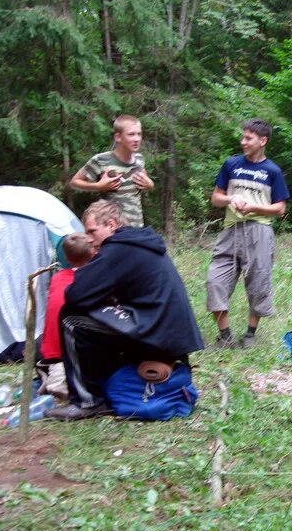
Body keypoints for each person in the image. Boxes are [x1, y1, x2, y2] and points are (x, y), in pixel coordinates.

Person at [46, 200, 203, 420]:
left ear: (111, 225)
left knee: (71, 319)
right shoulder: (137, 242)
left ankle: (87, 401)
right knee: (97, 316)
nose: (89, 239)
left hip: (155, 329)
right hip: (169, 331)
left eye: (92, 231)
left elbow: (75, 295)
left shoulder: (118, 248)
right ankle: (106, 381)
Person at [205, 118, 290, 349]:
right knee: (215, 281)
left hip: (259, 231)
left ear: (262, 141)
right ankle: (225, 335)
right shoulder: (231, 164)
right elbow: (216, 198)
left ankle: (250, 335)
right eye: (243, 137)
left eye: (248, 138)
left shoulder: (272, 171)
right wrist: (232, 198)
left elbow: (280, 208)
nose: (243, 142)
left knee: (258, 282)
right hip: (230, 230)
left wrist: (253, 207)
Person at [36, 233, 95, 399]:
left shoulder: (56, 278)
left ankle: (53, 375)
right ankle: (57, 383)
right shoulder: (89, 280)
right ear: (92, 255)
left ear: (66, 258)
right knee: (63, 370)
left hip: (48, 344)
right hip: (62, 349)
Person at [69, 114, 154, 227]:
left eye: (139, 134)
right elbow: (74, 182)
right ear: (118, 137)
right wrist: (98, 186)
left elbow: (146, 184)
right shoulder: (101, 160)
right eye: (131, 134)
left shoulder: (139, 160)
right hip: (112, 229)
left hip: (136, 229)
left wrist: (150, 185)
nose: (137, 139)